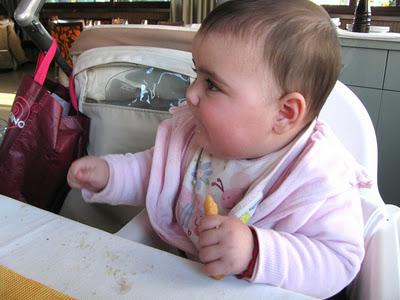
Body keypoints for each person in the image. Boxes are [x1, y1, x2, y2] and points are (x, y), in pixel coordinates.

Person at [67, 0, 373, 298]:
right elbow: (154, 173)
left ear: (284, 113)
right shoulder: (195, 137)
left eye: (211, 84)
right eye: (195, 74)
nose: (191, 93)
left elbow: (339, 260)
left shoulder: (318, 177)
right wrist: (109, 174)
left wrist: (256, 252)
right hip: (179, 278)